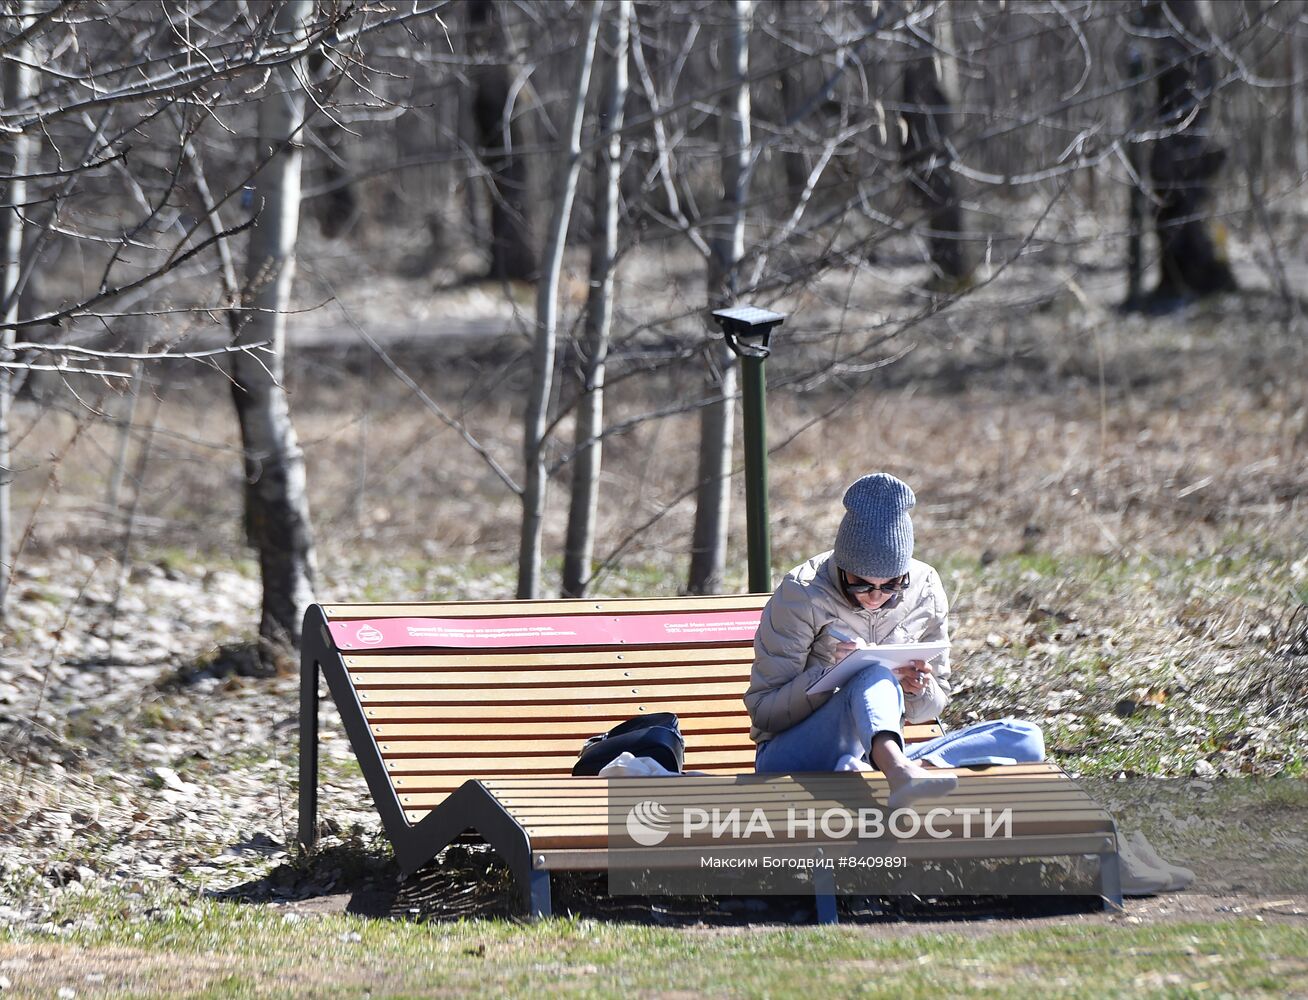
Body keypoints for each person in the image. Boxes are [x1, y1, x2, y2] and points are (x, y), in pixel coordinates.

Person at [744, 472, 960, 808]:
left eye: (891, 587)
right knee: (871, 673)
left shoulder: (925, 586)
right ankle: (900, 770)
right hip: (790, 755)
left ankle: (889, 767)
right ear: (841, 566)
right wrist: (833, 674)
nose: (875, 596)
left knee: (1022, 738)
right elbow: (764, 714)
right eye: (860, 584)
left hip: (869, 751)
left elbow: (931, 707)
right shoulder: (802, 593)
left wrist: (919, 689)